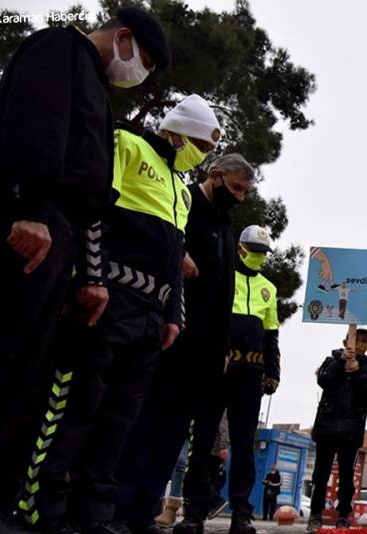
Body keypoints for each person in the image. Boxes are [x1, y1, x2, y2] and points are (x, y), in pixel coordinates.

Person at [0, 8, 170, 527]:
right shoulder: (60, 49)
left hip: (62, 241)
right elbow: (34, 129)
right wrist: (31, 207)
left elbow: (93, 196)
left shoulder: (97, 90)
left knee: (26, 376)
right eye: (145, 61)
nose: (142, 74)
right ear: (124, 37)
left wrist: (91, 276)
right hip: (29, 227)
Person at [14, 94, 219, 534]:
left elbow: (175, 254)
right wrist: (91, 278)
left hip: (150, 314)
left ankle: (95, 514)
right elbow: (93, 213)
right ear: (178, 130)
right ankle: (45, 509)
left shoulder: (180, 189)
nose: (201, 155)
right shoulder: (126, 144)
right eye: (200, 144)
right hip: (107, 300)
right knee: (76, 408)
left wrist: (174, 314)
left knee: (118, 421)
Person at [114, 153, 254, 534]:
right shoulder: (187, 205)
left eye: (246, 191)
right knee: (146, 422)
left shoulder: (226, 224)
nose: (240, 196)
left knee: (174, 432)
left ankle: (145, 512)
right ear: (215, 176)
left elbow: (224, 294)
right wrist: (180, 255)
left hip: (207, 348)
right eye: (236, 187)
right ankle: (121, 508)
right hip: (174, 334)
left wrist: (223, 346)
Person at [177, 225, 282, 534]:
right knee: (203, 442)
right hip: (216, 368)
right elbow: (207, 319)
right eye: (255, 251)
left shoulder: (269, 289)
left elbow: (272, 336)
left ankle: (242, 514)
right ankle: (193, 512)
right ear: (240, 248)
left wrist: (273, 371)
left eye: (264, 253)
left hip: (250, 376)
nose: (259, 258)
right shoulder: (223, 276)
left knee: (244, 446)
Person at [306, 329, 367, 531]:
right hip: (327, 427)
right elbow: (325, 381)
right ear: (346, 341)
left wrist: (357, 372)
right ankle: (315, 514)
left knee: (347, 475)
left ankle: (343, 515)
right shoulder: (331, 360)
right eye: (357, 340)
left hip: (352, 430)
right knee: (321, 474)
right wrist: (341, 363)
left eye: (365, 342)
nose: (360, 345)